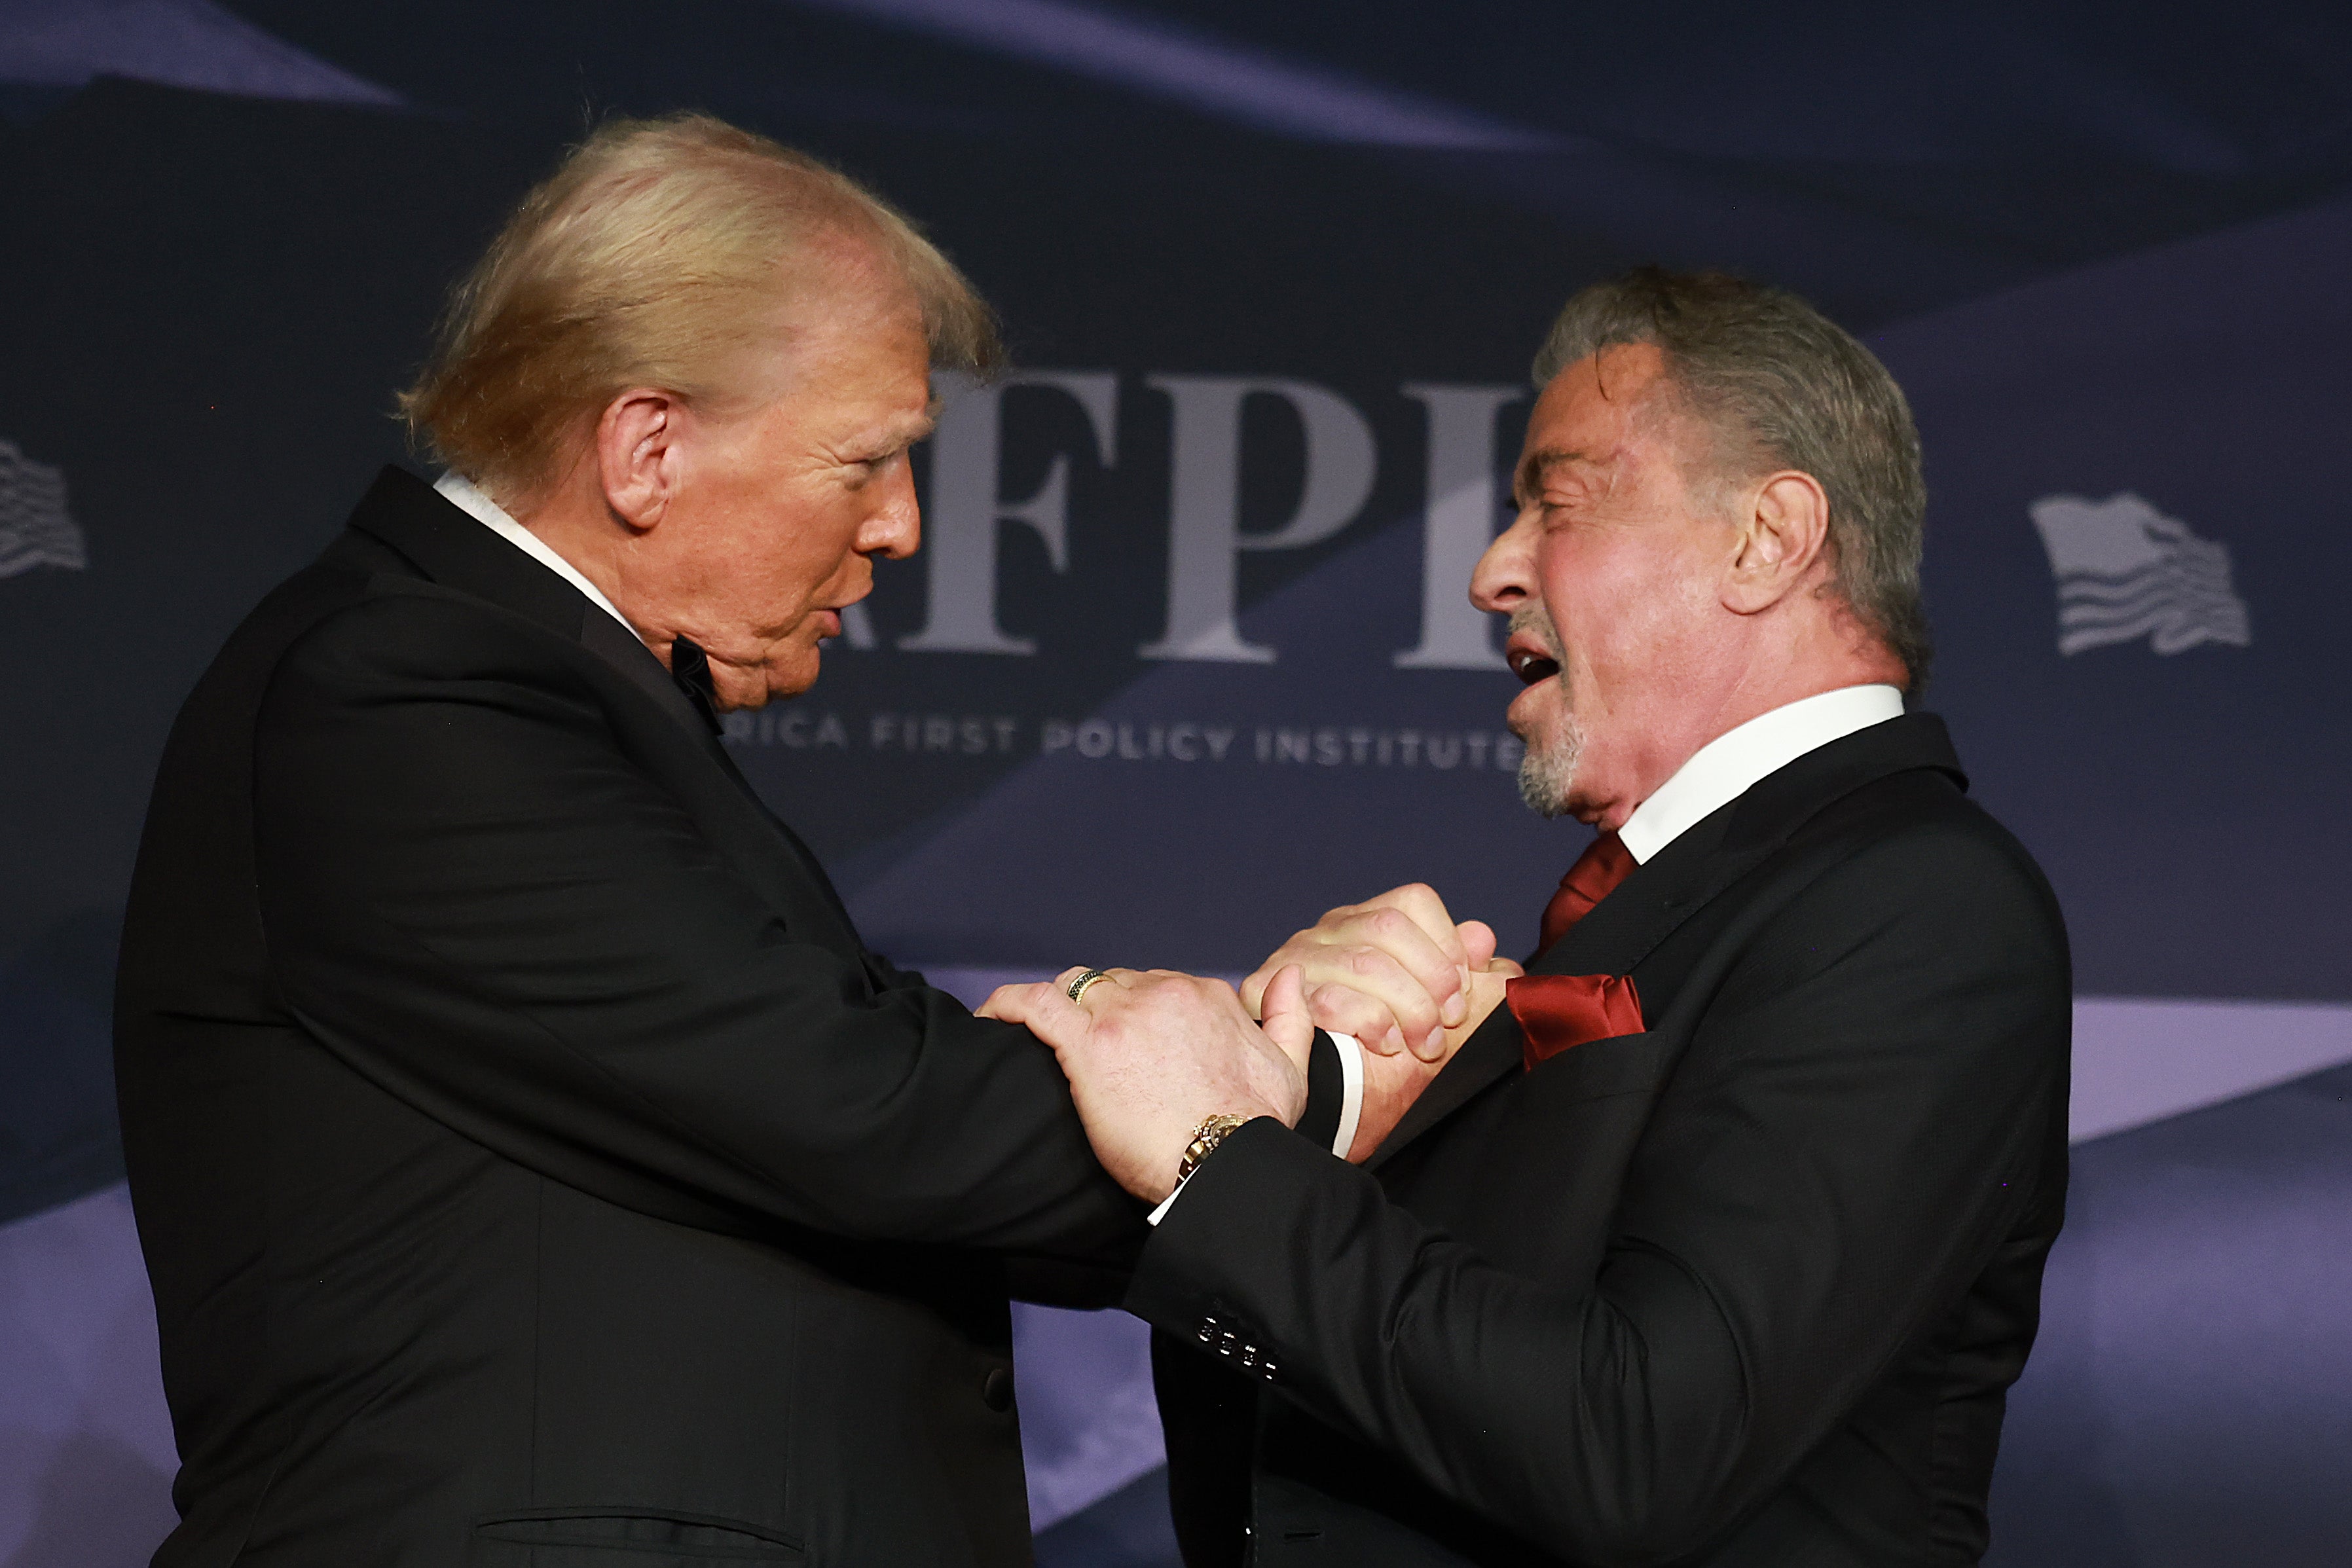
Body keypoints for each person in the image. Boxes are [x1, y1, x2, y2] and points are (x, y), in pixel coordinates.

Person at [113, 113, 1366, 1568]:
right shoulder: (398, 694)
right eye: (866, 460)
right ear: (646, 450)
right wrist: (1287, 1099)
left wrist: (1236, 1144)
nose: (900, 526)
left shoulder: (519, 699)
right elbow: (856, 1111)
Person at [987, 269, 2072, 1567]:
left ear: (1765, 538)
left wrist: (1217, 1156)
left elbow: (1634, 1445)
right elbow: (1327, 1465)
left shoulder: (1912, 902)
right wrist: (1314, 1125)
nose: (1490, 572)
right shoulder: (1660, 914)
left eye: (1554, 501)